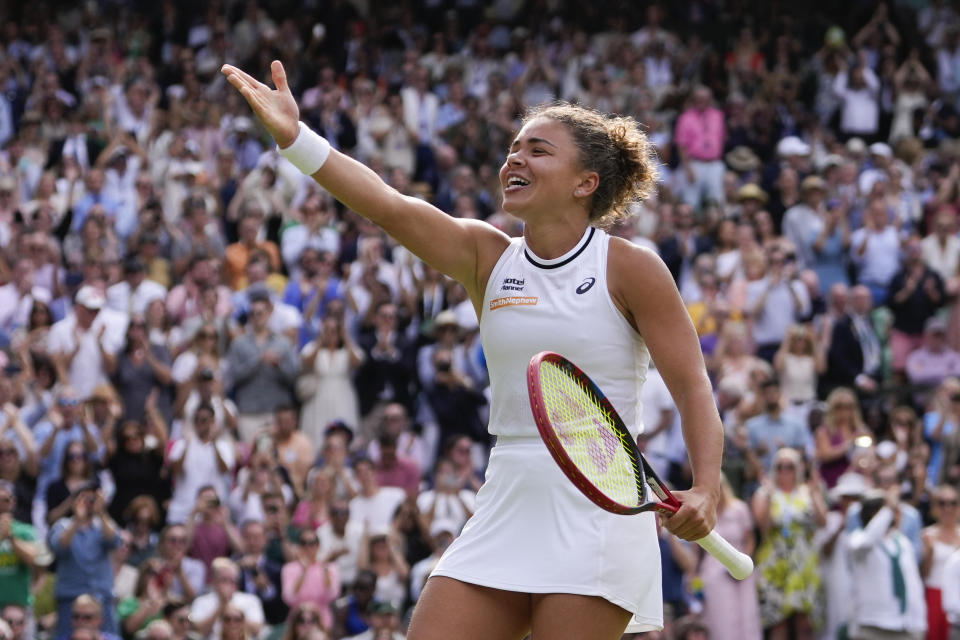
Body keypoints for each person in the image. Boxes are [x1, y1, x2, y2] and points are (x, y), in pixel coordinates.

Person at [222, 61, 723, 639]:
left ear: (586, 182)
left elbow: (692, 386)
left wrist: (707, 487)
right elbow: (387, 205)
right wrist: (296, 138)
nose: (515, 159)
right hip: (505, 496)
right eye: (513, 149)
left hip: (600, 509)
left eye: (538, 151)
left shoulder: (631, 267)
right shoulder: (487, 255)